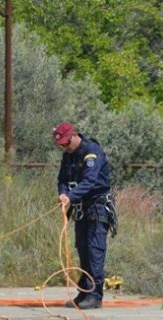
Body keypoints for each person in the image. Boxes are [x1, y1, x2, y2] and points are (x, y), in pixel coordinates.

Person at [55, 121, 117, 309]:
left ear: (74, 135)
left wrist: (71, 197)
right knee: (82, 249)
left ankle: (95, 296)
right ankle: (84, 293)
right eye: (61, 145)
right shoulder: (68, 156)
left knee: (94, 250)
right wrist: (63, 194)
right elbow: (62, 179)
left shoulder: (92, 152)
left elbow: (90, 182)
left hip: (98, 208)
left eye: (66, 143)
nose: (64, 147)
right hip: (81, 208)